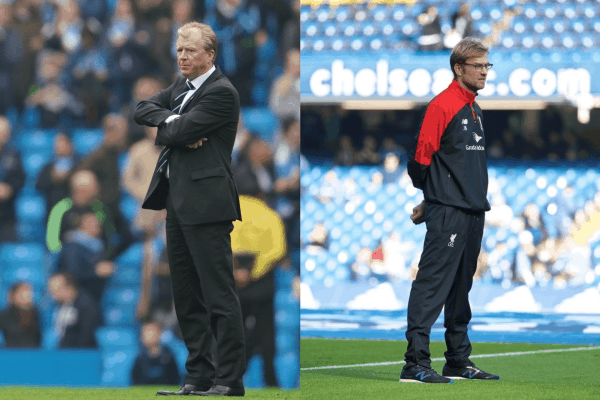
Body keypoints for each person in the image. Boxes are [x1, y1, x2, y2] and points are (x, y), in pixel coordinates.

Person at [133, 22, 245, 397]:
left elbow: (171, 135)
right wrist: (171, 120)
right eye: (179, 50)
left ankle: (228, 380)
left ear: (209, 55)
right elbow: (142, 108)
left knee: (218, 295)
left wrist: (169, 127)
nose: (182, 56)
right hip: (177, 204)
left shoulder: (221, 93)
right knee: (185, 296)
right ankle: (198, 377)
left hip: (209, 205)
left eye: (190, 50)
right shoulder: (181, 89)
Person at [402, 37, 499, 383]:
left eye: (488, 65)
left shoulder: (475, 109)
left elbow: (454, 167)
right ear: (459, 69)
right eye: (479, 66)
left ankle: (458, 360)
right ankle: (414, 363)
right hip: (449, 213)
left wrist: (432, 199)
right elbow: (420, 159)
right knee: (431, 286)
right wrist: (433, 199)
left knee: (461, 290)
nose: (486, 72)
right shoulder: (442, 106)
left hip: (473, 212)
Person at [47, 272, 102, 349]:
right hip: (63, 353)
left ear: (68, 288)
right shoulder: (60, 305)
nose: (52, 293)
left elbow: (86, 334)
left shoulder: (86, 305)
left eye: (55, 289)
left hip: (80, 354)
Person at [130, 320, 181, 386]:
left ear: (159, 333)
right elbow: (135, 382)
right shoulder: (139, 359)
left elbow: (175, 380)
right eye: (146, 333)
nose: (150, 336)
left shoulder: (168, 357)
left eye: (152, 332)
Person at [0, 116, 25, 242]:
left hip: (7, 214)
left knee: (9, 250)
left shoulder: (13, 155)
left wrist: (9, 189)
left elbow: (20, 179)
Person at [0, 282, 42, 348]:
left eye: (29, 291)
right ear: (14, 295)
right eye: (23, 292)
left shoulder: (38, 313)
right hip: (12, 352)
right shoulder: (4, 314)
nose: (27, 294)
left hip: (34, 352)